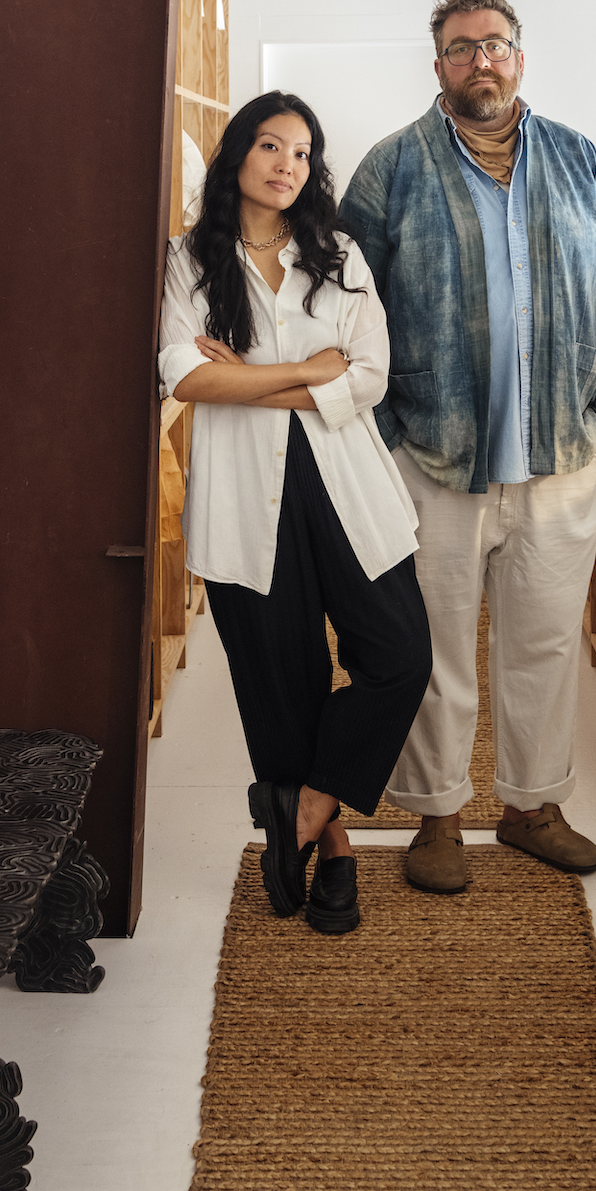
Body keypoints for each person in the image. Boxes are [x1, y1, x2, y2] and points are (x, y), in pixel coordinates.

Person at [339, 0, 596, 890]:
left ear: (519, 55)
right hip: (433, 454)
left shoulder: (578, 160)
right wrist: (385, 430)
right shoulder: (390, 169)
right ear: (438, 67)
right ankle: (436, 816)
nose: (482, 60)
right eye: (462, 47)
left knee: (544, 642)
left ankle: (530, 805)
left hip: (557, 452)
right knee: (430, 645)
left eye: (495, 44)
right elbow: (348, 308)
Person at [158, 90, 432, 933]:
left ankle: (306, 806)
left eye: (303, 153)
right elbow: (187, 377)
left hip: (348, 488)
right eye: (271, 146)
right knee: (282, 684)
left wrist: (254, 378)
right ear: (237, 154)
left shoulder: (339, 253)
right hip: (246, 499)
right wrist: (308, 372)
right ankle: (337, 849)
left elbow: (370, 374)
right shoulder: (186, 261)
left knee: (398, 656)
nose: (287, 165)